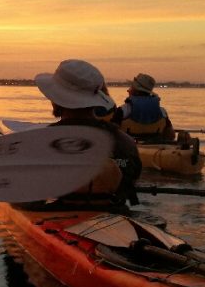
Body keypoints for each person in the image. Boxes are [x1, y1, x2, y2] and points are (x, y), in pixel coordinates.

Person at [34, 59, 141, 206]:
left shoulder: (40, 142)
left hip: (59, 216)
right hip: (115, 215)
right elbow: (129, 184)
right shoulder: (127, 143)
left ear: (55, 99)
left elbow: (31, 197)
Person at [112, 73, 177, 142]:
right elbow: (171, 135)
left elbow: (111, 133)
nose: (128, 90)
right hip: (155, 147)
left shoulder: (123, 110)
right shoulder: (162, 112)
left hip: (128, 147)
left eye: (131, 88)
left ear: (136, 92)